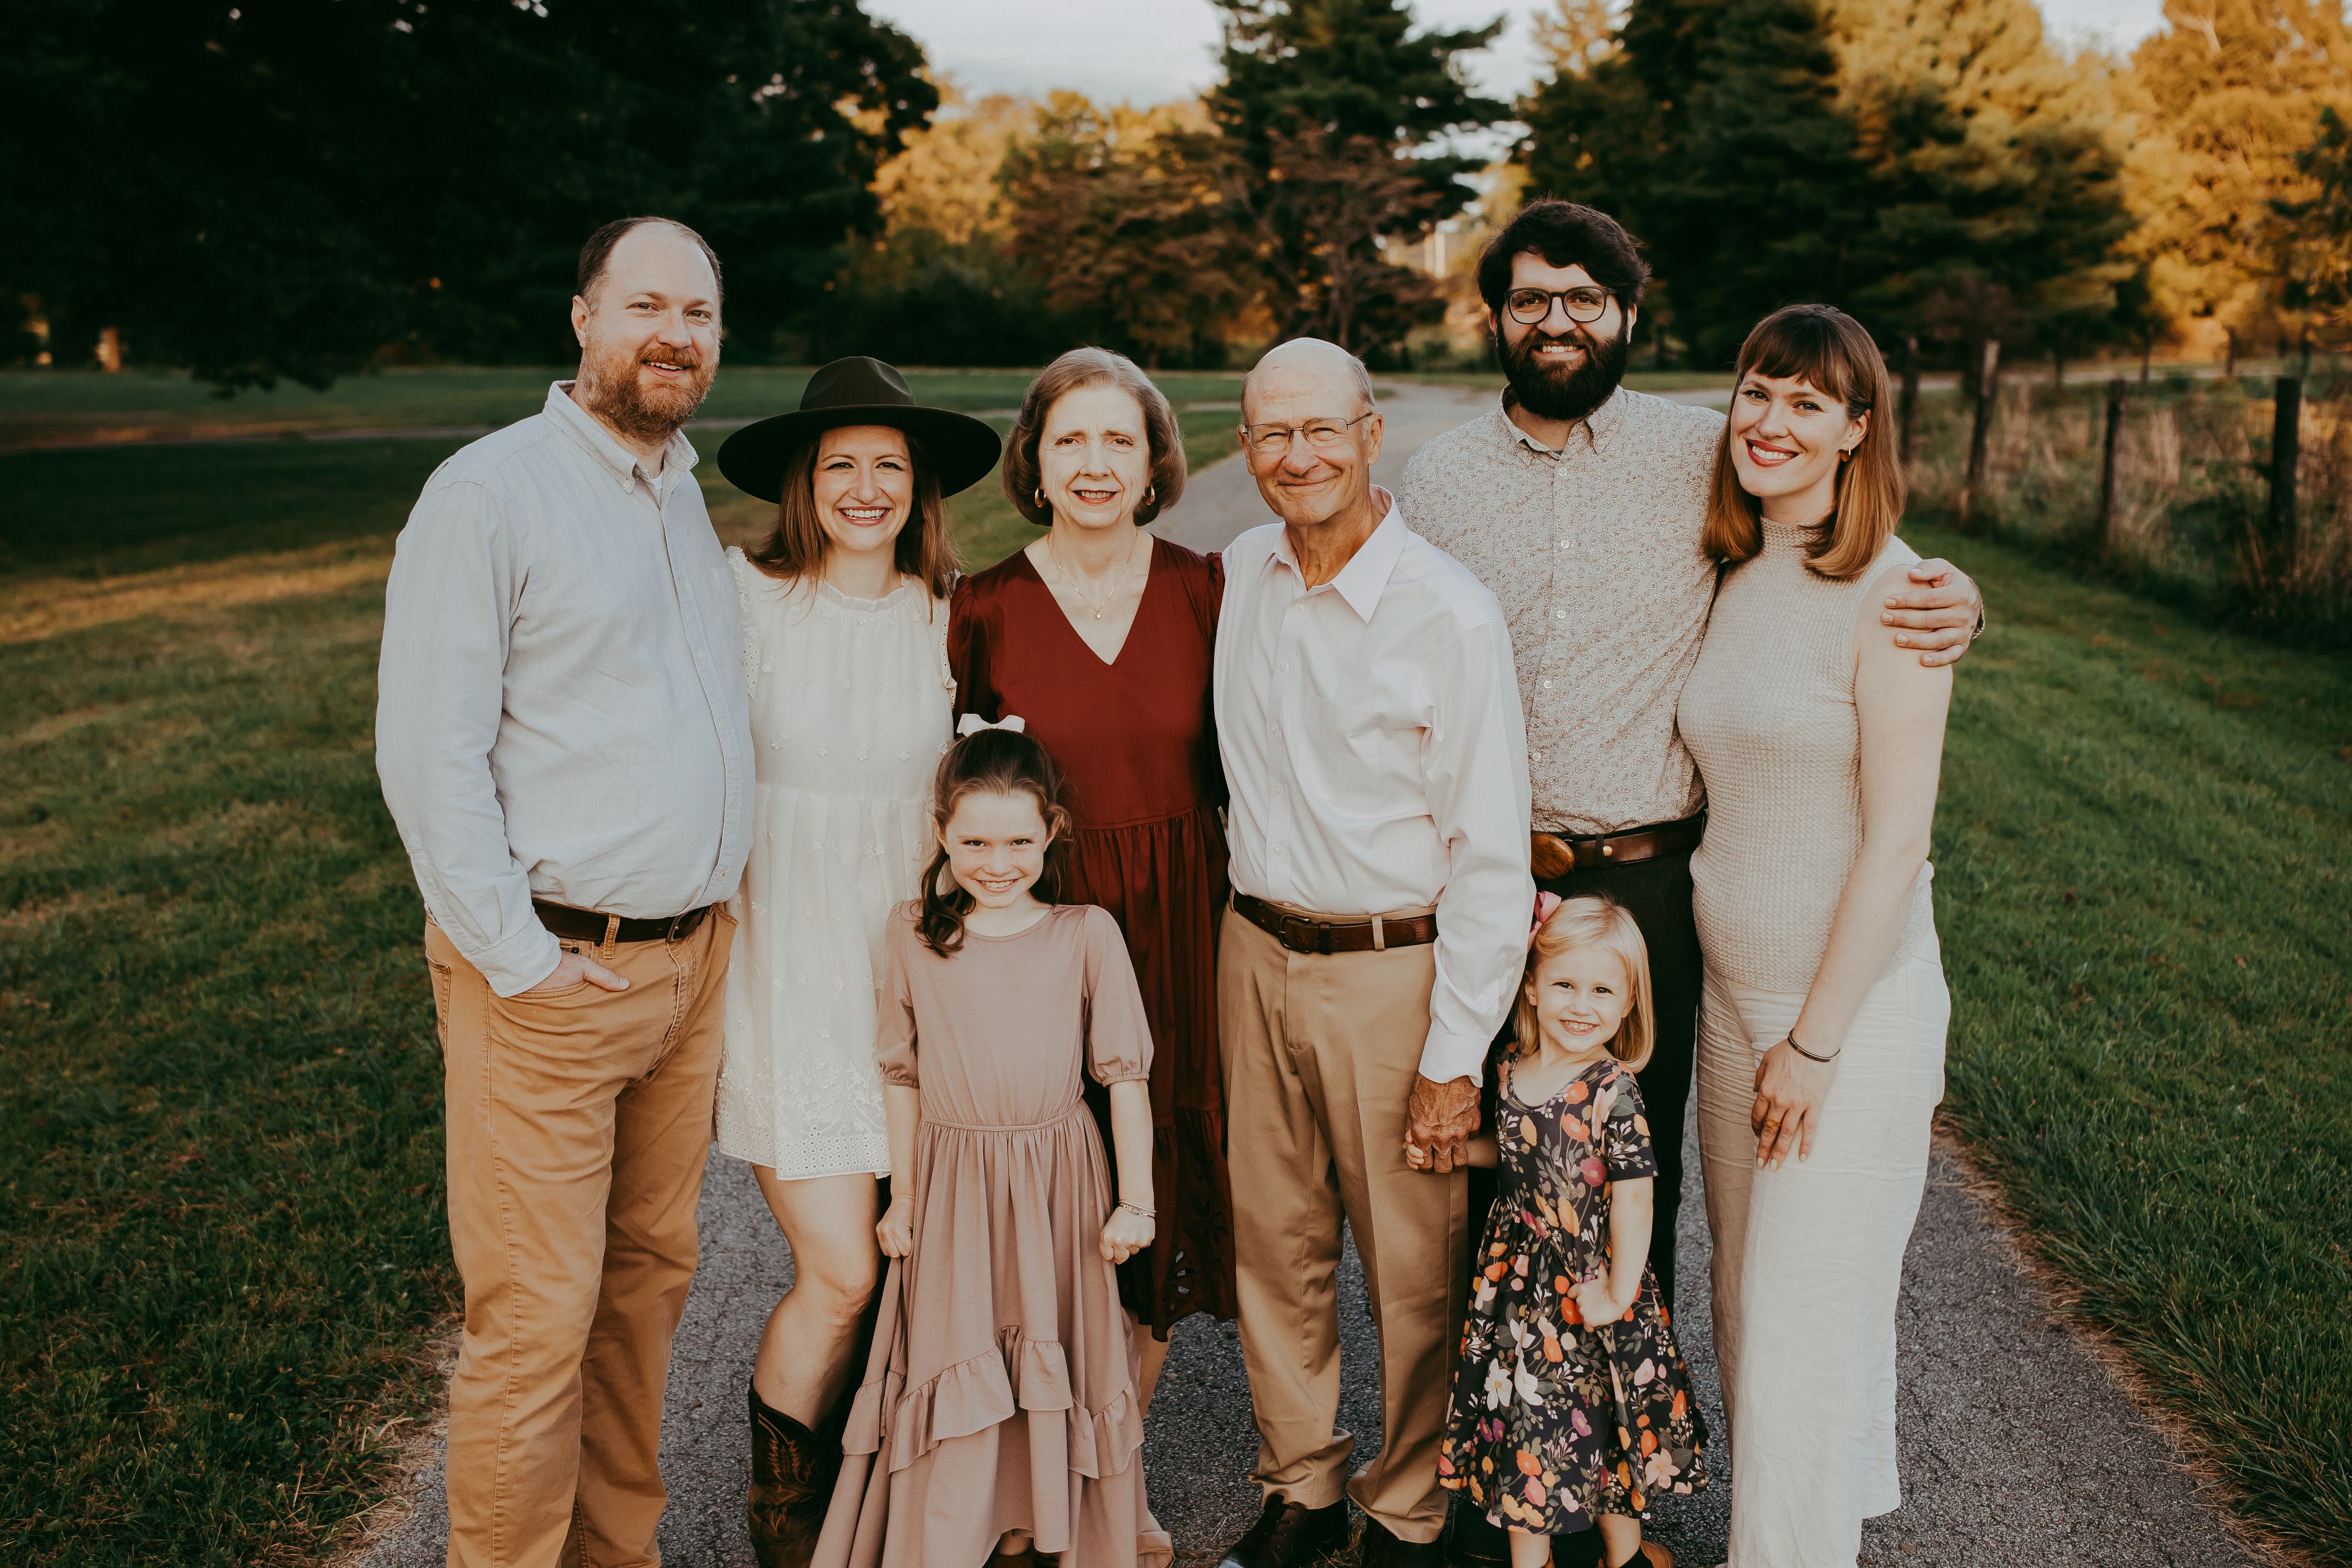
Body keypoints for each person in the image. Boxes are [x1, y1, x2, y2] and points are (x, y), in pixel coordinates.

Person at [375, 215, 749, 1568]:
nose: (675, 335)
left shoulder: (680, 489)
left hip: (685, 972)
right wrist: (517, 959)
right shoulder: (496, 492)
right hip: (551, 978)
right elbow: (427, 749)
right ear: (581, 319)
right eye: (646, 305)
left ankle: (615, 1555)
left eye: (699, 314)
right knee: (535, 1322)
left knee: (646, 1294)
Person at [1213, 338, 1534, 1568]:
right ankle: (1297, 1487)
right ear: (1244, 448)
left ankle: (1405, 1507)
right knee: (1273, 1241)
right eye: (1270, 435)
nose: (1295, 456)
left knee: (1414, 1261)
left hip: (1393, 972)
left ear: (1367, 433)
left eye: (1319, 430)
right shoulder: (1242, 569)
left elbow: (1491, 854)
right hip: (1255, 952)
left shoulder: (1444, 610)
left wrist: (1455, 1052)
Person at [708, 356, 1004, 1564]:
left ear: (920, 486)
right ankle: (784, 1512)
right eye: (840, 466)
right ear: (803, 483)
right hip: (786, 987)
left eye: (889, 465)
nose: (865, 486)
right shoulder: (744, 604)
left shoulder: (953, 618)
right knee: (837, 1270)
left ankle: (893, 1505)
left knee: (927, 1275)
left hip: (920, 991)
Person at [1677, 305, 1954, 1567]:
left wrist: (1817, 1042)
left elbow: (1896, 845)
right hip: (1733, 1009)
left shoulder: (1898, 600)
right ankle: (1807, 1522)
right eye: (1754, 392)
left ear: (1856, 429)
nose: (1767, 421)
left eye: (1805, 403)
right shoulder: (1734, 569)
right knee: (1749, 1309)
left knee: (1794, 1324)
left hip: (1842, 1016)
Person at [814, 720, 1172, 1568]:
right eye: (974, 839)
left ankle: (1041, 1522)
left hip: (1059, 1180)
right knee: (959, 1352)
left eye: (1019, 839)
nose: (997, 860)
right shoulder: (914, 932)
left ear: (1052, 831)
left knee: (1053, 1348)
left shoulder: (1087, 932)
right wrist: (902, 1196)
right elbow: (900, 1072)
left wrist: (1136, 1199)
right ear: (941, 833)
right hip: (952, 1182)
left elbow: (1125, 1074)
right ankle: (955, 1531)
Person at [949, 347, 1237, 1387]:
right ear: (1034, 460)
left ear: (1157, 458)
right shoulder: (981, 607)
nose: (1095, 462)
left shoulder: (1208, 588)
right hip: (1040, 938)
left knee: (1154, 1171)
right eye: (1070, 439)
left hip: (1182, 925)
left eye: (1120, 438)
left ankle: (1115, 1467)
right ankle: (1036, 1460)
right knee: (1044, 1179)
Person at [1422, 895, 1705, 1568]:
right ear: (1532, 986)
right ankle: (1531, 1561)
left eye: (1603, 990)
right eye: (1565, 985)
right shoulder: (1513, 1069)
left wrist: (1618, 1290)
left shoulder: (1614, 1089)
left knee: (1604, 1442)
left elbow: (1637, 1200)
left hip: (1590, 1290)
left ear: (1629, 1002)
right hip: (1520, 1291)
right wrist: (1467, 1152)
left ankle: (1627, 1558)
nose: (1582, 1005)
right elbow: (1518, 1148)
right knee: (1526, 1430)